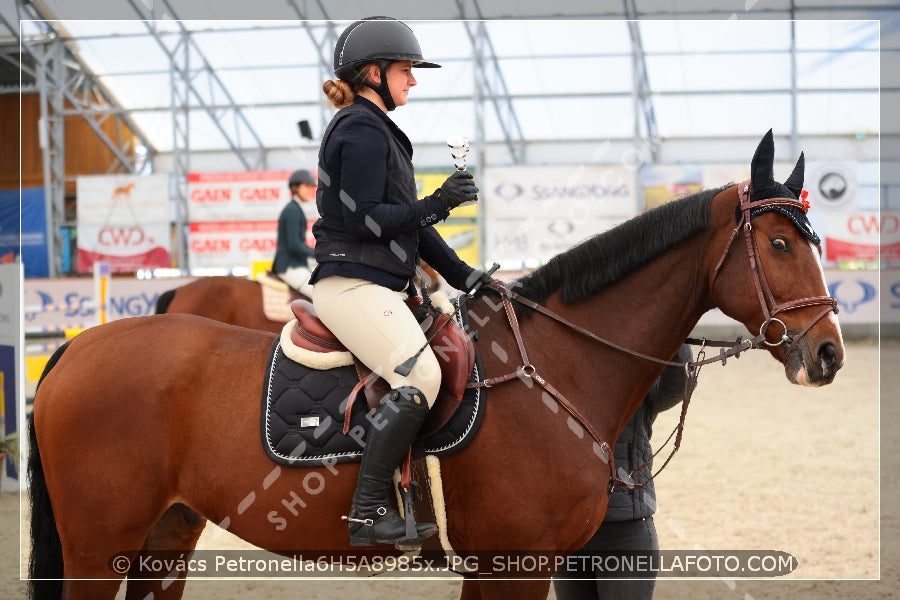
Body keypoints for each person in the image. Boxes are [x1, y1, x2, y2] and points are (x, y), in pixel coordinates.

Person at [308, 16, 490, 550]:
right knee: (422, 379)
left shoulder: (378, 128)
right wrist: (439, 202)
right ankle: (366, 514)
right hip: (352, 285)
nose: (413, 80)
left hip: (378, 284)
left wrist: (465, 277)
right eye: (407, 70)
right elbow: (368, 218)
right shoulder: (361, 128)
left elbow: (405, 223)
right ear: (373, 72)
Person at [553, 344, 693, 600]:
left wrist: (677, 335)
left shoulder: (636, 385)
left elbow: (677, 384)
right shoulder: (560, 382)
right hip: (570, 534)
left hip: (625, 537)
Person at [272, 169, 317, 297]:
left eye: (311, 187)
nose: (310, 190)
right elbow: (294, 245)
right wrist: (317, 254)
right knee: (318, 295)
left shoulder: (295, 208)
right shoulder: (293, 210)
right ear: (294, 187)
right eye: (306, 186)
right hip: (289, 267)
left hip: (294, 265)